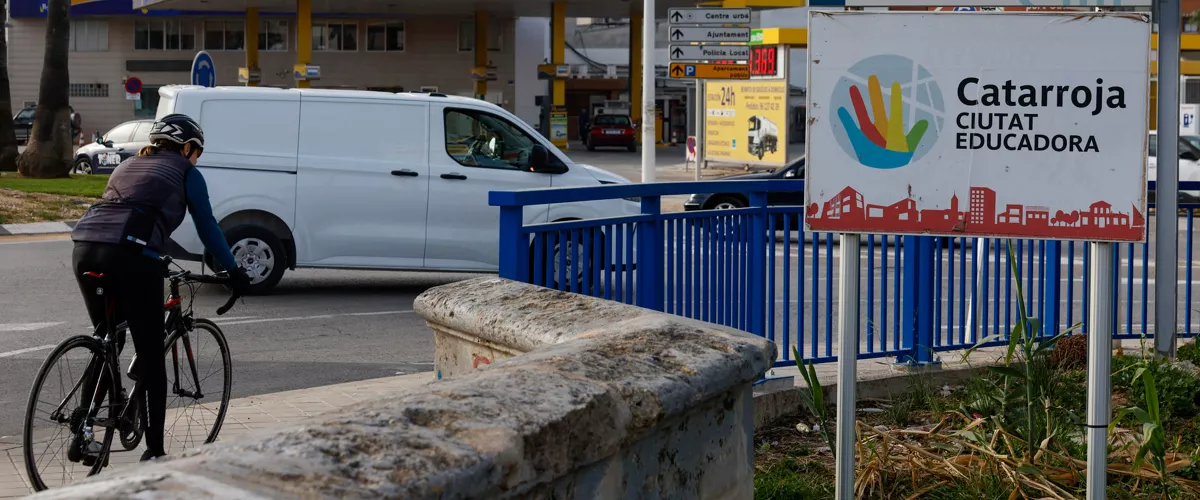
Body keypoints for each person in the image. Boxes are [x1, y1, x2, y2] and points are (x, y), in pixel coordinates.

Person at [69, 113, 249, 463]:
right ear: (186, 147)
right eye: (197, 152)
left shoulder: (131, 164)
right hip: (132, 253)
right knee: (152, 356)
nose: (197, 159)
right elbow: (207, 226)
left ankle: (83, 431)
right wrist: (234, 269)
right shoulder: (187, 173)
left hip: (86, 245)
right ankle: (154, 451)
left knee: (108, 336)